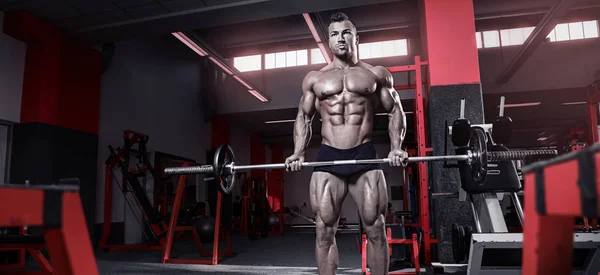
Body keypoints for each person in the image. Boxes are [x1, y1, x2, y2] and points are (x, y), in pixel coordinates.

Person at [284, 12, 408, 275]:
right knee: (324, 230)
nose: (340, 38)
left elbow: (395, 110)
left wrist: (397, 146)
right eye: (334, 34)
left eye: (345, 32)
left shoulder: (376, 74)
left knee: (375, 227)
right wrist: (297, 152)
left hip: (364, 154)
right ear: (328, 41)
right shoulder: (314, 79)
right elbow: (303, 118)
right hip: (329, 157)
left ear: (356, 37)